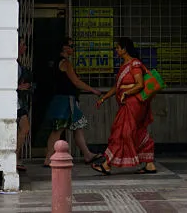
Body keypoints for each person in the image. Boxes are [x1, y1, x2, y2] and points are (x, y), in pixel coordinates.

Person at [91, 37, 157, 175]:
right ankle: (149, 163)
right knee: (138, 132)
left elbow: (139, 84)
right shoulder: (124, 66)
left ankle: (106, 164)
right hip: (127, 103)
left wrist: (126, 93)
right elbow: (117, 87)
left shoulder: (135, 64)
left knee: (121, 132)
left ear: (124, 49)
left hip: (133, 104)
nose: (116, 50)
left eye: (118, 48)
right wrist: (104, 98)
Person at [41, 37, 103, 166]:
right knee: (58, 130)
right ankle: (48, 158)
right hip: (65, 101)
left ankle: (87, 154)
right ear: (64, 48)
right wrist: (93, 90)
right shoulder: (65, 63)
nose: (73, 49)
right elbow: (76, 82)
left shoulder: (56, 63)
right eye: (71, 46)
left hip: (64, 100)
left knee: (77, 127)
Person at [16, 36, 33, 173]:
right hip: (15, 102)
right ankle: (13, 157)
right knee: (24, 127)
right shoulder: (13, 64)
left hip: (17, 102)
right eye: (23, 44)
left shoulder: (17, 63)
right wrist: (20, 87)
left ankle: (15, 157)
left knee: (23, 128)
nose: (25, 47)